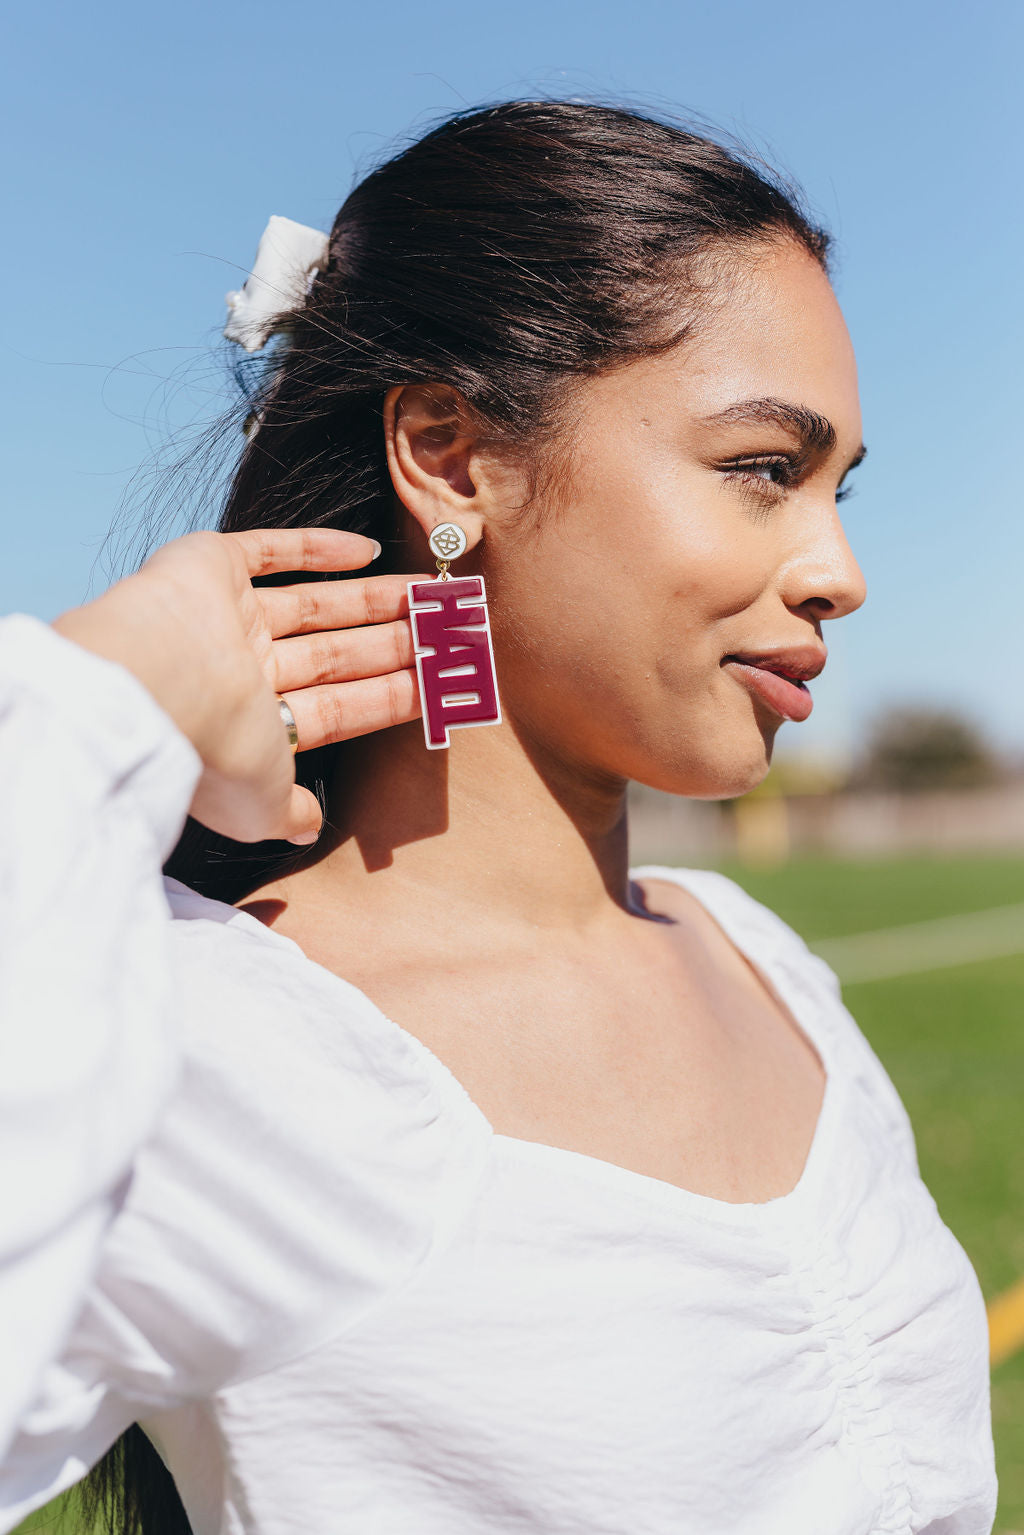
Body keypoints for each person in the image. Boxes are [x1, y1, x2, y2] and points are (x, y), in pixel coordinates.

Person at [0, 100, 996, 1535]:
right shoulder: (220, 1041)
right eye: (763, 469)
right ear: (452, 458)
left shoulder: (767, 963)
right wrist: (103, 699)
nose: (838, 570)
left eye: (838, 488)